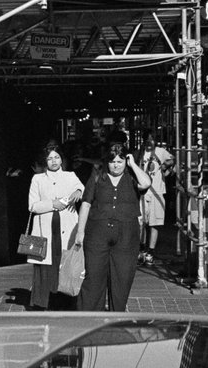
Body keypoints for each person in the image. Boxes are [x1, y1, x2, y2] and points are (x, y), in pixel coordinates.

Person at [74, 142, 150, 312]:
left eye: (120, 161)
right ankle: (89, 319)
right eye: (112, 161)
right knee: (93, 278)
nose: (116, 165)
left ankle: (117, 317)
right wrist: (80, 232)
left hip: (126, 236)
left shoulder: (132, 176)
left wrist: (133, 164)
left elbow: (146, 184)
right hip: (97, 235)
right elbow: (86, 204)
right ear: (106, 161)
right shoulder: (97, 175)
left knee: (122, 279)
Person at [25, 144, 85, 310]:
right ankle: (42, 302)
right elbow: (33, 206)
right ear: (45, 160)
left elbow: (82, 189)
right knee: (44, 266)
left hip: (66, 228)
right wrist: (53, 204)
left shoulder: (70, 176)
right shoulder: (37, 179)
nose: (53, 161)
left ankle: (64, 300)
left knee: (65, 263)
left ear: (62, 159)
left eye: (56, 157)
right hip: (45, 229)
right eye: (50, 158)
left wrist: (79, 191)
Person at [137, 134, 174, 264]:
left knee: (155, 223)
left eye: (151, 139)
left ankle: (150, 252)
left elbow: (172, 160)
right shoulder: (139, 153)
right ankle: (141, 249)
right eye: (146, 139)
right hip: (143, 192)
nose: (149, 141)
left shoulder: (161, 151)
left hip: (157, 191)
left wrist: (165, 166)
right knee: (141, 223)